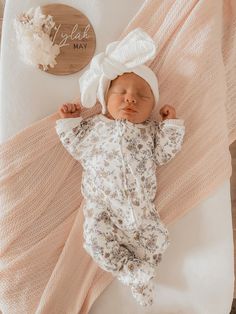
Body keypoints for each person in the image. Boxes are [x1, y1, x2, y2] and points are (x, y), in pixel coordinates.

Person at [55, 28, 185, 307]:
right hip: (101, 208)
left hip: (140, 209)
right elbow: (75, 144)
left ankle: (143, 274)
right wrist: (69, 121)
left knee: (159, 241)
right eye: (121, 92)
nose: (130, 99)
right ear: (105, 99)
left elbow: (165, 153)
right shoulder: (94, 129)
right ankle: (132, 272)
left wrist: (170, 126)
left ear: (152, 108)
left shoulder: (150, 133)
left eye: (141, 96)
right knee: (93, 241)